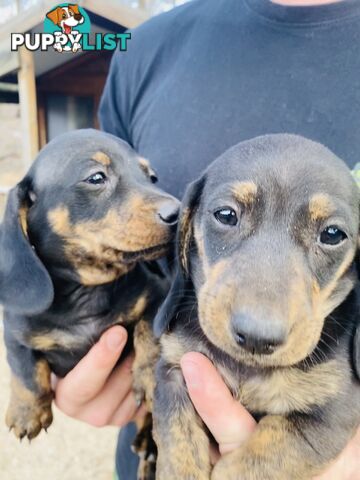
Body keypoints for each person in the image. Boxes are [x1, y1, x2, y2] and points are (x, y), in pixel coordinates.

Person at [52, 0, 360, 478]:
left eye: (332, 234)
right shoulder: (142, 50)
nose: (260, 321)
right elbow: (98, 247)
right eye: (226, 216)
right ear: (189, 226)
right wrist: (53, 350)